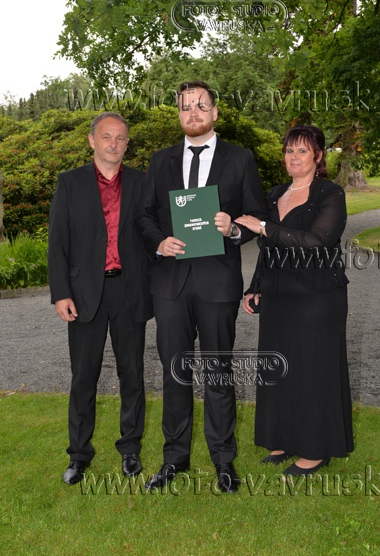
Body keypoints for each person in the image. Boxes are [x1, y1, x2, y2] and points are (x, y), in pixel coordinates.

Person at [137, 81, 266, 492]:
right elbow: (145, 215)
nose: (193, 113)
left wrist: (234, 229)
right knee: (174, 373)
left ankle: (223, 461)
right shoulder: (160, 160)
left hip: (217, 282)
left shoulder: (240, 158)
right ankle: (173, 458)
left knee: (218, 371)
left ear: (214, 112)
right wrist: (159, 241)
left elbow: (256, 215)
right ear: (178, 114)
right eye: (185, 107)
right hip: (170, 284)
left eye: (201, 105)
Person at [236, 124, 354, 476]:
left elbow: (317, 241)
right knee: (280, 370)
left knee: (311, 370)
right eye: (289, 151)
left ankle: (316, 449)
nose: (294, 157)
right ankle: (283, 438)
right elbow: (268, 249)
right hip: (279, 298)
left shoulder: (330, 193)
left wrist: (264, 227)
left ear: (318, 156)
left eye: (302, 150)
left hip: (317, 297)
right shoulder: (276, 194)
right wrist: (255, 287)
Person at [48, 112, 153, 485]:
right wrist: (61, 293)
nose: (114, 143)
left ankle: (130, 449)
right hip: (84, 294)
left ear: (127, 144)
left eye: (120, 138)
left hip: (130, 291)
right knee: (83, 377)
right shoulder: (70, 182)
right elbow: (58, 242)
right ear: (92, 140)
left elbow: (156, 233)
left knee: (133, 375)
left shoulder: (143, 183)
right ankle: (79, 455)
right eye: (107, 136)